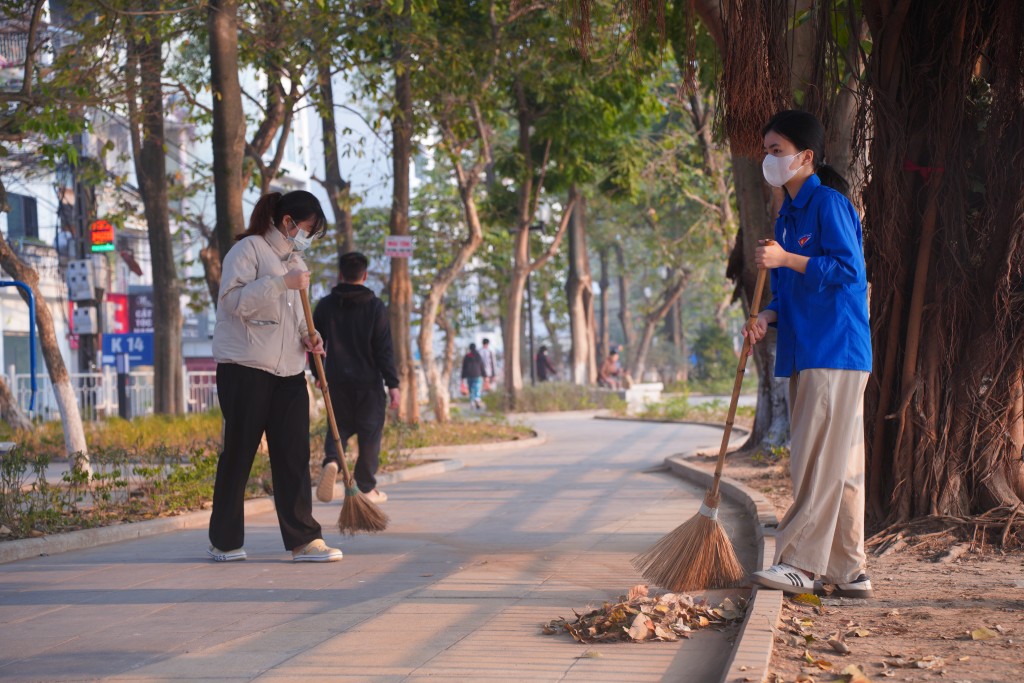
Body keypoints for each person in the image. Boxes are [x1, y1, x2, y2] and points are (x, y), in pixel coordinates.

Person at [745, 110, 873, 598]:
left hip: (834, 349)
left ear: (806, 157)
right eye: (766, 151)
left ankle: (799, 563)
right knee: (839, 464)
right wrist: (764, 319)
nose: (768, 160)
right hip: (806, 349)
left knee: (816, 460)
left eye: (776, 151)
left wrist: (786, 258)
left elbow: (849, 271)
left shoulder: (830, 205)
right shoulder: (787, 215)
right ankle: (848, 571)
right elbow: (785, 292)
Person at [209, 190, 342, 563]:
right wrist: (282, 283)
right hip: (245, 369)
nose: (308, 237)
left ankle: (305, 539)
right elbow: (232, 302)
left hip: (290, 372)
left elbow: (299, 316)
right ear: (287, 222)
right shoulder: (247, 250)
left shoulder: (295, 261)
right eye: (308, 228)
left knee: (293, 455)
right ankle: (225, 541)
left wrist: (310, 336)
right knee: (238, 455)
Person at [314, 252, 400, 505]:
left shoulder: (326, 305)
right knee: (370, 433)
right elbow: (384, 349)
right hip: (368, 382)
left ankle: (331, 460)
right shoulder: (375, 306)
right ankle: (366, 486)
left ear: (340, 275)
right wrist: (393, 384)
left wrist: (318, 374)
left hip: (336, 379)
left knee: (337, 426)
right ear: (365, 275)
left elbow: (313, 340)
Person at [460, 343, 485, 409]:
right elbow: (481, 366)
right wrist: (484, 375)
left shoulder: (467, 356)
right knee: (477, 387)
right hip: (477, 374)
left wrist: (462, 377)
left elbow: (464, 367)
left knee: (470, 388)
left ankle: (472, 401)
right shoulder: (478, 356)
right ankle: (477, 398)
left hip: (469, 375)